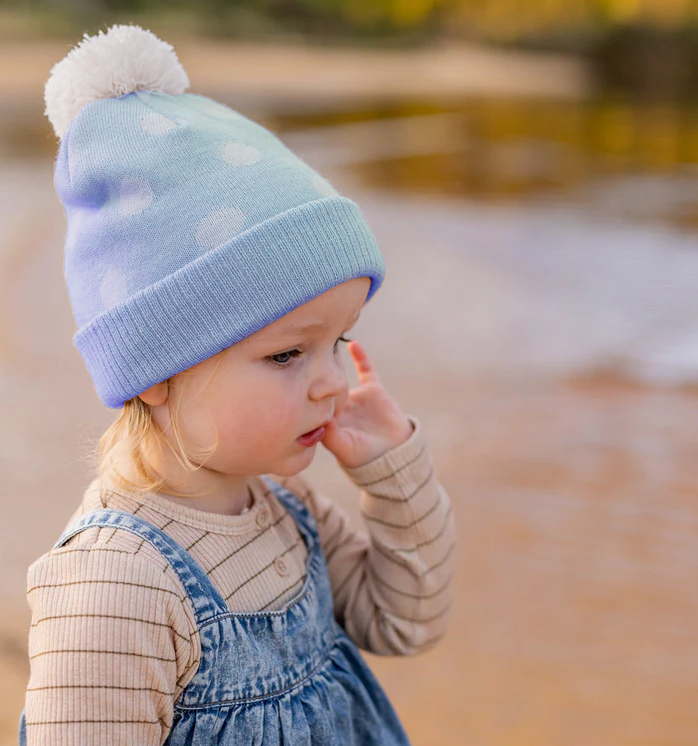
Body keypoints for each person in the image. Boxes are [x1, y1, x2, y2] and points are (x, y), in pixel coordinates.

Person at [19, 24, 457, 746]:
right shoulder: (115, 590)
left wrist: (396, 473)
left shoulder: (287, 507)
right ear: (157, 370)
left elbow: (405, 620)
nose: (332, 383)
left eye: (338, 343)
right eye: (288, 355)